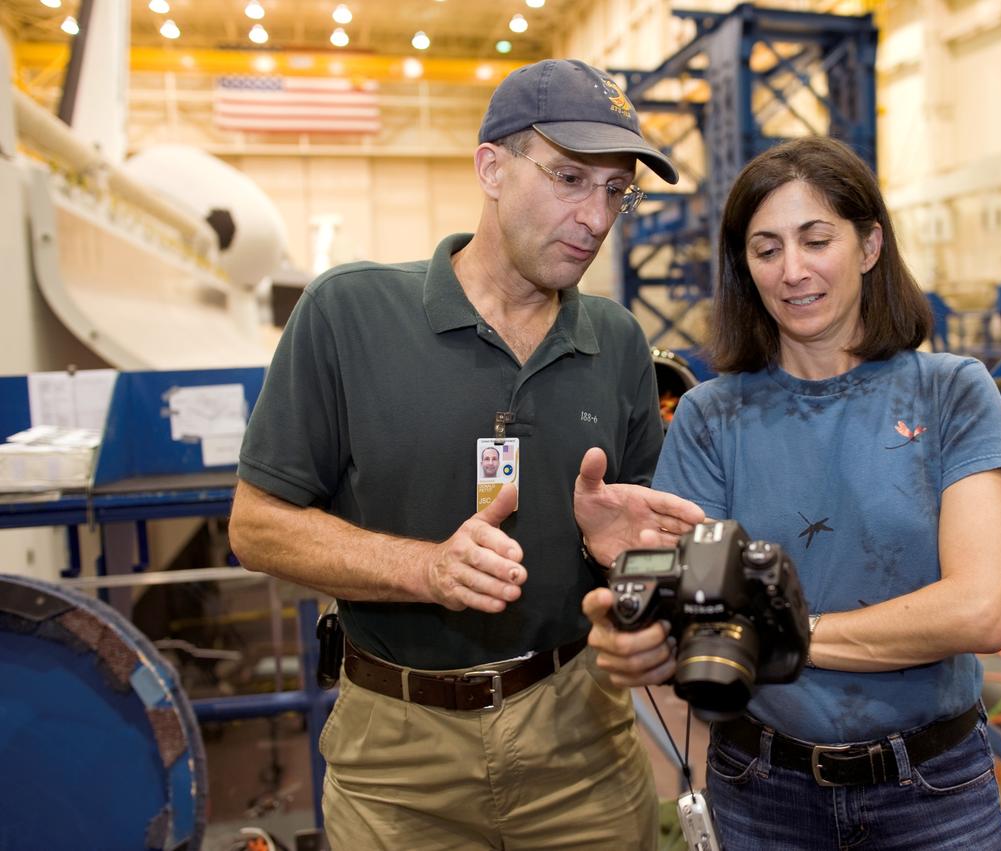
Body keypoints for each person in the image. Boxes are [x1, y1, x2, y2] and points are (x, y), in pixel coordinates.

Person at [229, 58, 703, 850]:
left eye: (617, 191)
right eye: (570, 178)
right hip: (397, 761)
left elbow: (646, 553)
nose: (596, 217)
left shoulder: (618, 342)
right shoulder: (347, 315)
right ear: (491, 167)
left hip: (579, 740)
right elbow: (257, 525)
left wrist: (626, 564)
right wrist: (425, 569)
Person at [584, 136, 1001, 850]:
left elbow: (979, 609)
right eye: (766, 249)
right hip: (762, 789)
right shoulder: (711, 416)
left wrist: (771, 632)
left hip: (932, 791)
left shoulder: (952, 391)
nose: (793, 270)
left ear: (868, 246)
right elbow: (690, 628)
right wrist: (631, 608)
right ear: (746, 268)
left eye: (816, 239)